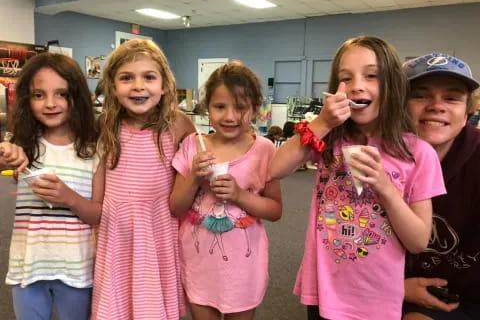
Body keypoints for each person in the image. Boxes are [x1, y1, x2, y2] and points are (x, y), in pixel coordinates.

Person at [271, 36, 446, 320]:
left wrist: (385, 188)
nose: (357, 85)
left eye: (372, 76)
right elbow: (275, 169)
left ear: (393, 85)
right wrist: (322, 123)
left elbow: (417, 241)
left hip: (377, 298)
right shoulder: (329, 140)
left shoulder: (418, 153)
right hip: (324, 291)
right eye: (346, 78)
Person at [91, 39, 195, 320]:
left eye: (149, 77)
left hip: (158, 226)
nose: (138, 86)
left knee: (152, 303)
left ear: (164, 86)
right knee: (117, 301)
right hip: (117, 230)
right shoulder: (105, 125)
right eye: (127, 78)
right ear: (113, 86)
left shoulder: (178, 123)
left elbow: (196, 168)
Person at [170, 62, 282, 320]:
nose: (229, 117)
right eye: (220, 107)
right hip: (199, 263)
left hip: (243, 267)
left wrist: (240, 196)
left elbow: (275, 210)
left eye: (240, 107)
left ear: (255, 109)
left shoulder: (264, 150)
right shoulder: (192, 145)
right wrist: (195, 179)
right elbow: (176, 207)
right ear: (207, 107)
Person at [4, 52, 104, 320]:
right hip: (29, 264)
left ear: (77, 98)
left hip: (75, 268)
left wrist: (69, 198)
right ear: (27, 99)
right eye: (39, 95)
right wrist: (6, 151)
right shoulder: (25, 143)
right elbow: (8, 156)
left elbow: (97, 214)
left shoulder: (94, 151)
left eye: (61, 94)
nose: (50, 103)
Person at [403, 53, 480, 320]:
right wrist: (398, 288)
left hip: (465, 296)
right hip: (390, 285)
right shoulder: (375, 159)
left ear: (468, 112)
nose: (437, 106)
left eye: (451, 98)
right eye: (421, 95)